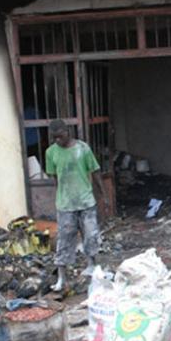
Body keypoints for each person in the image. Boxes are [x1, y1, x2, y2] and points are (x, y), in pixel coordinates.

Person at [45, 119, 109, 291]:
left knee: (91, 235)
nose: (58, 140)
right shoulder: (51, 153)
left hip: (86, 201)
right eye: (54, 137)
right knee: (64, 241)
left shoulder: (83, 149)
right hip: (65, 204)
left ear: (68, 131)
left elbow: (95, 171)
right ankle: (61, 278)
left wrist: (103, 195)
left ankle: (92, 266)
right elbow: (55, 178)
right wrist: (60, 198)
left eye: (60, 136)